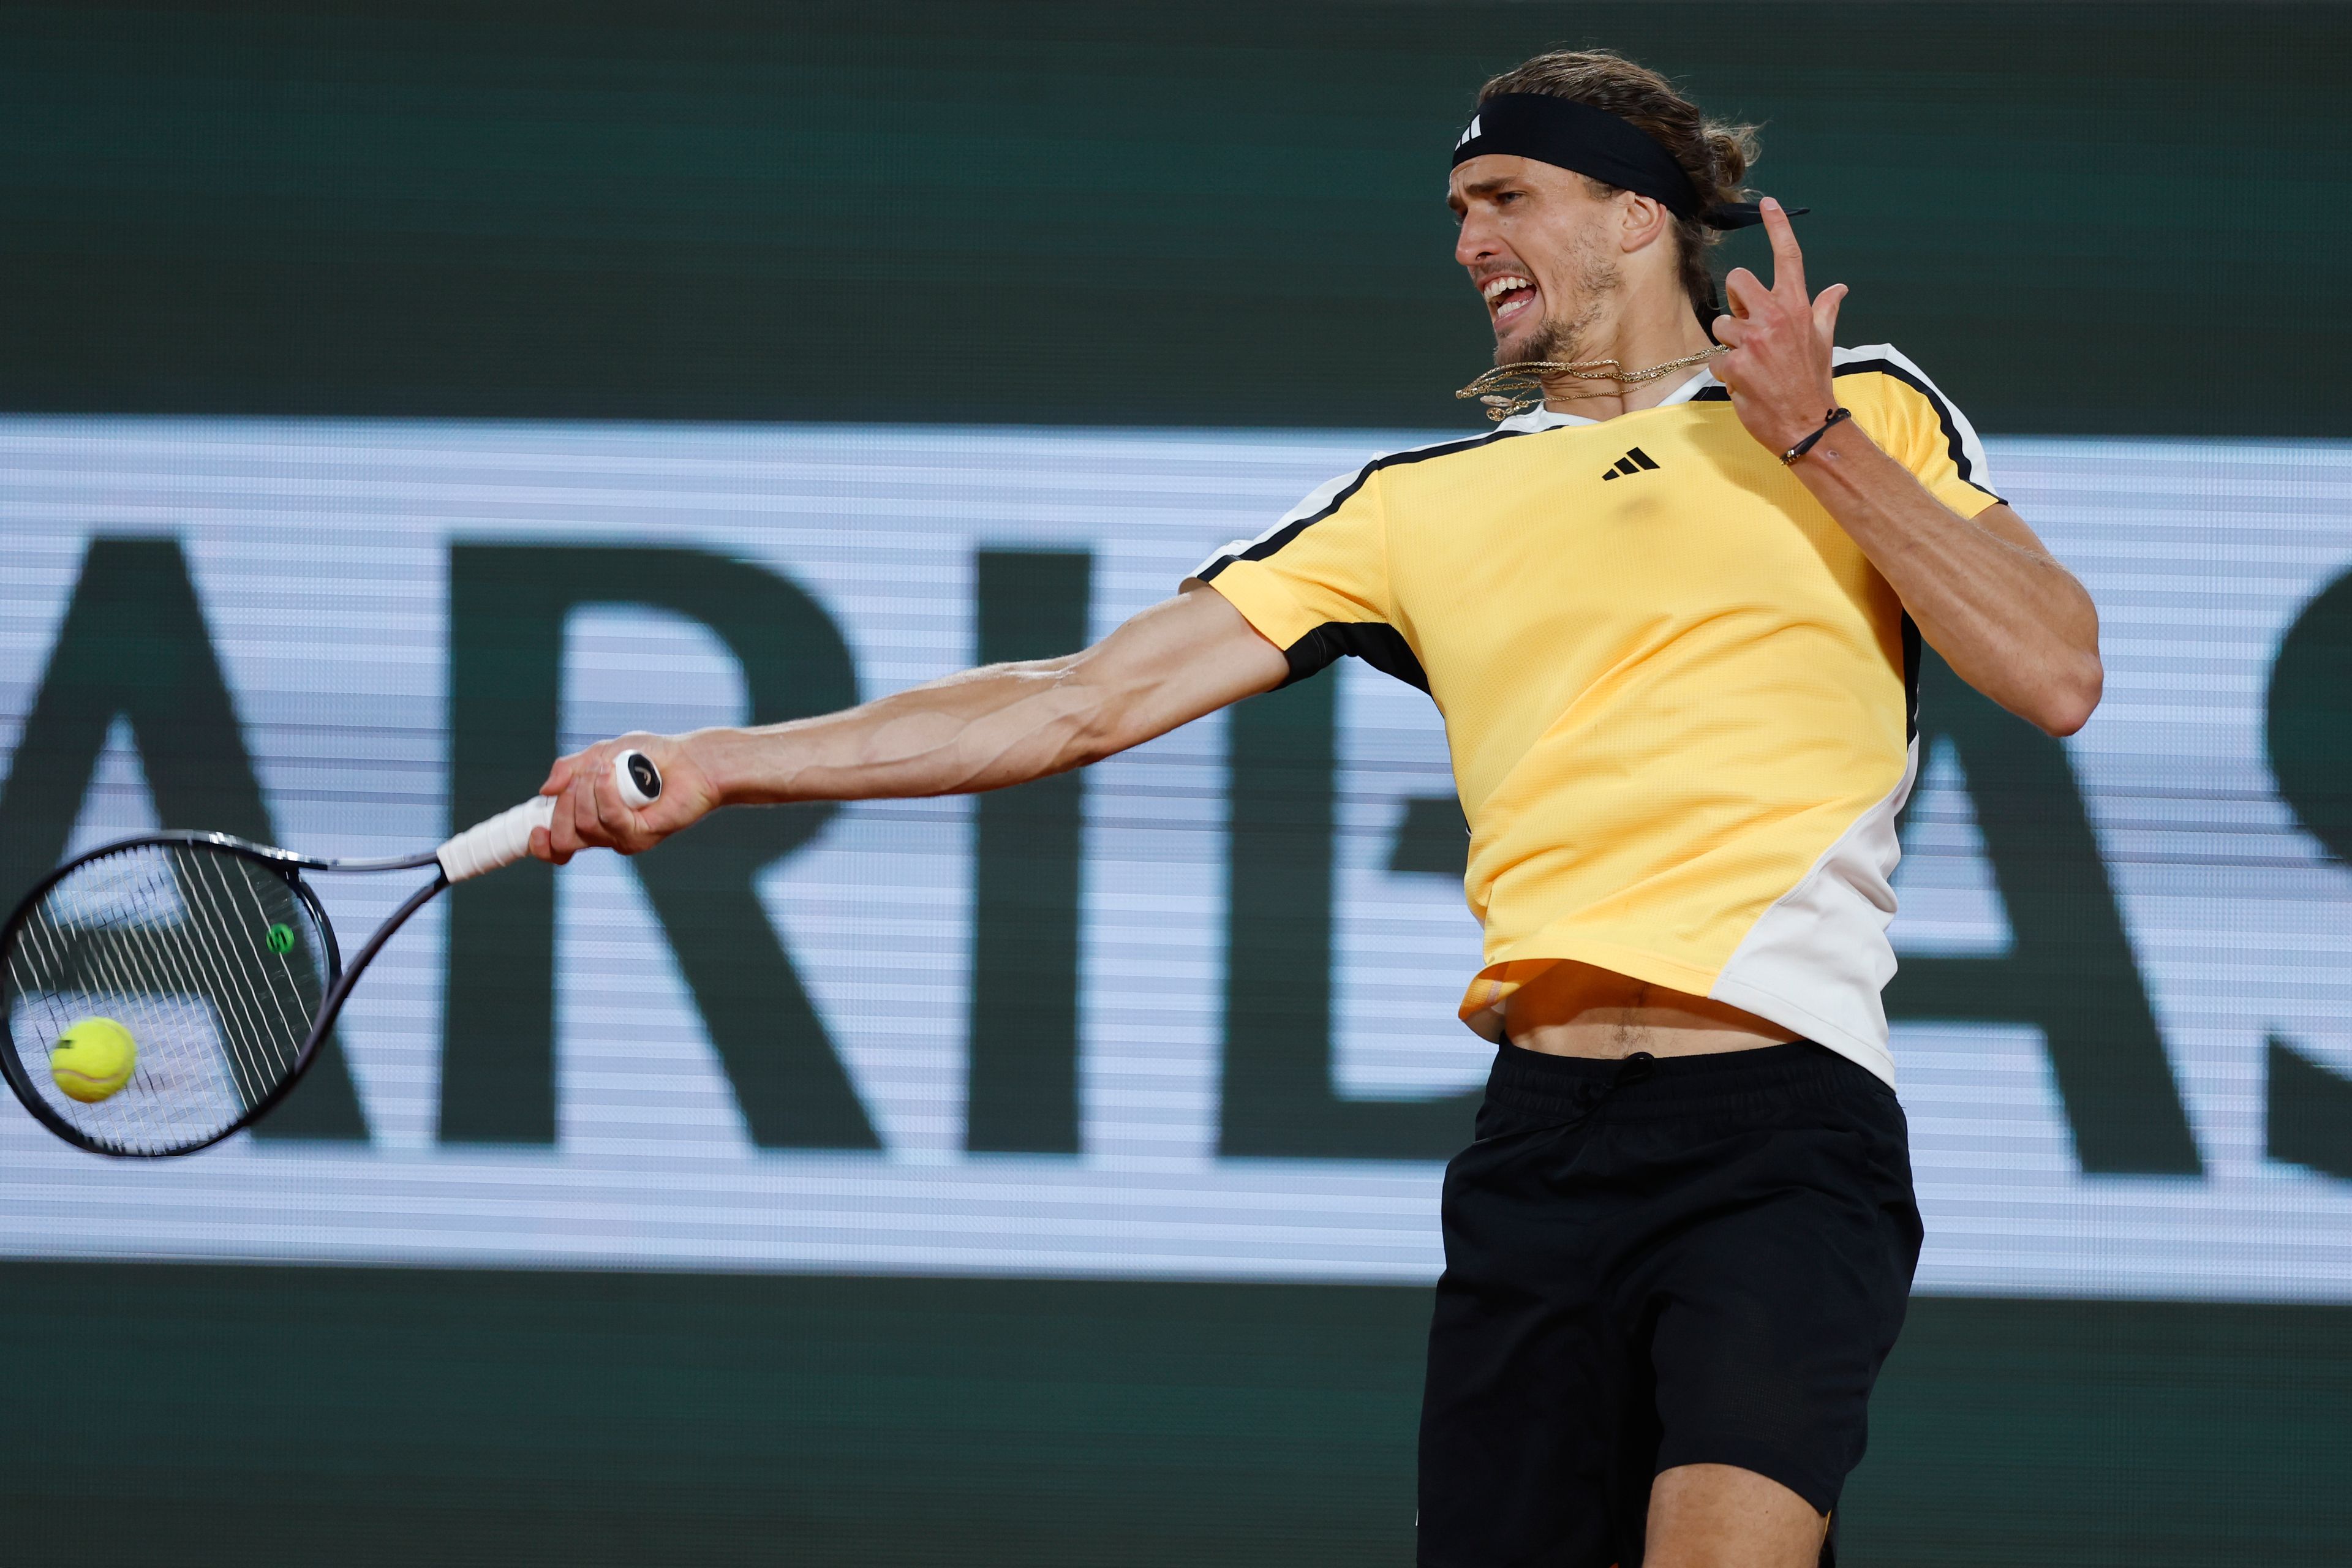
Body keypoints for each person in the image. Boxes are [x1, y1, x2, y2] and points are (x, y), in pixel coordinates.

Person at [528, 48, 2100, 1568]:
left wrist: (1811, 435)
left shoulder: (1864, 409)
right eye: (1455, 211)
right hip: (1537, 1152)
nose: (1472, 238)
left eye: (1506, 194)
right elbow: (1077, 698)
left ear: (1637, 214)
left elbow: (2055, 673)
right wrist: (731, 757)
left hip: (1782, 1132)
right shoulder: (1413, 505)